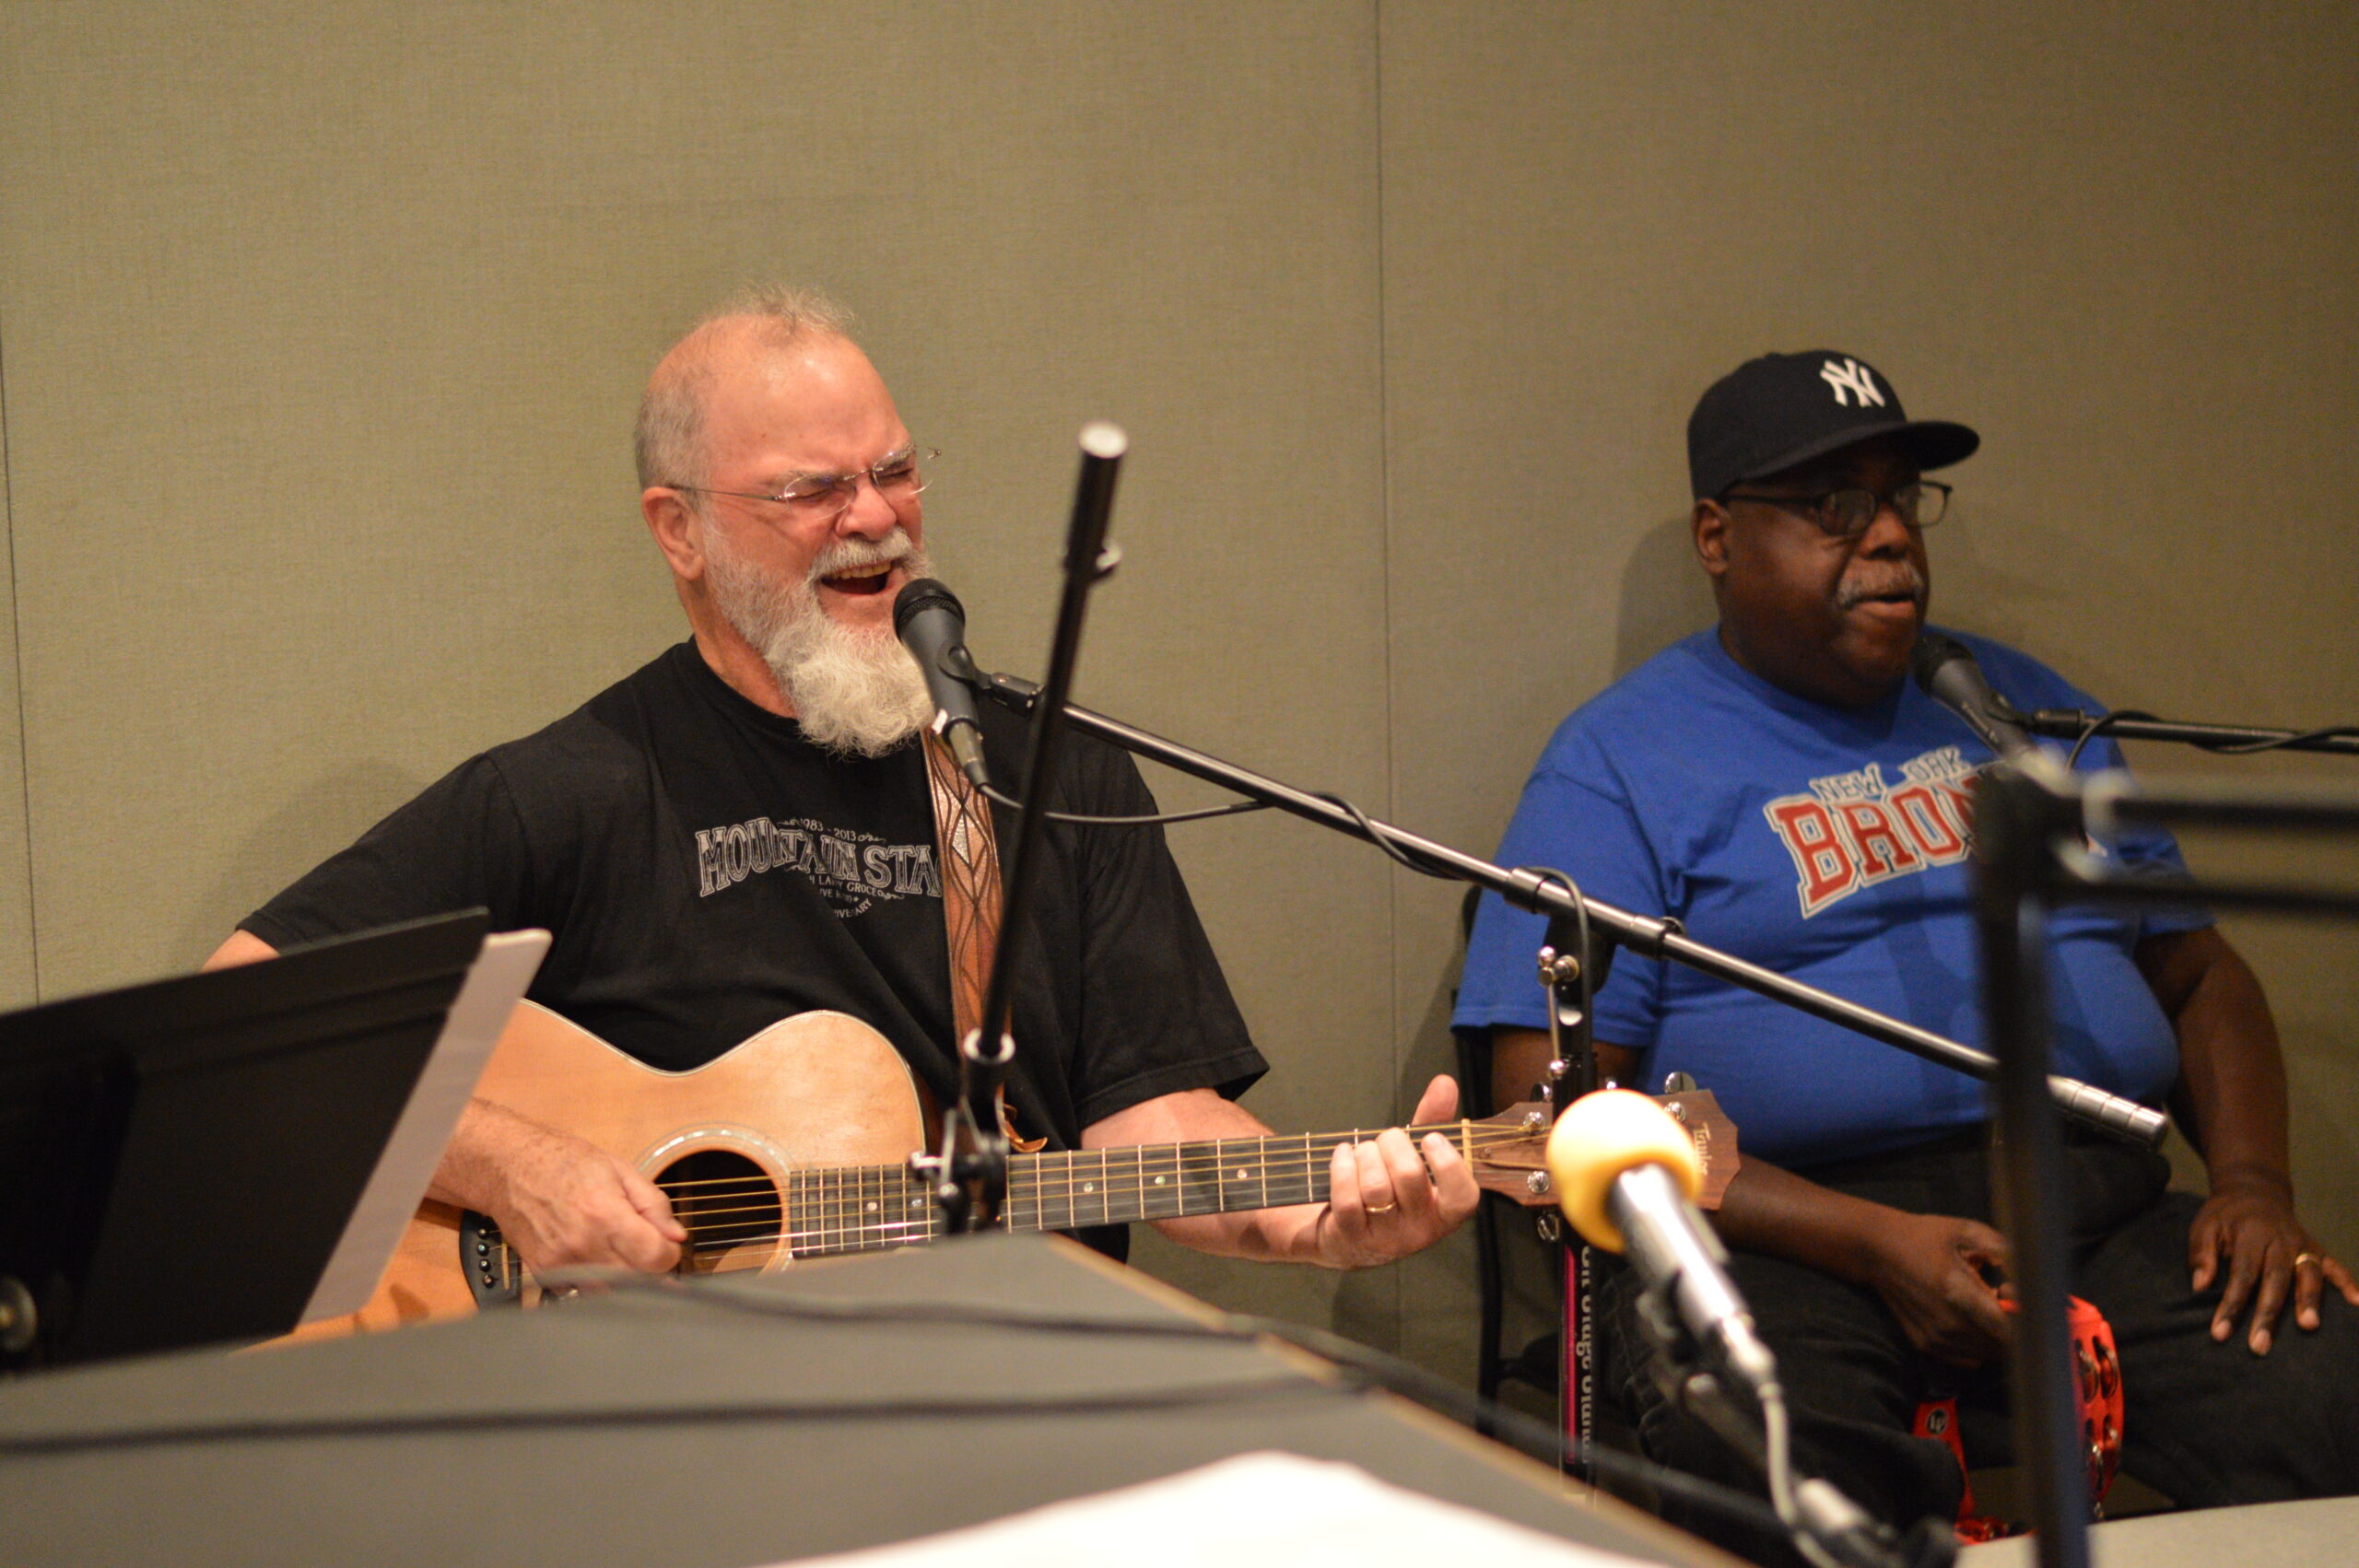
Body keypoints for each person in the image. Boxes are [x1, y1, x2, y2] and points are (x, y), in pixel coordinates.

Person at [211, 285, 1475, 1280]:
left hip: (1010, 1416)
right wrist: (511, 1165)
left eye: (896, 469)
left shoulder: (1050, 771)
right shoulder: (580, 790)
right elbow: (241, 1019)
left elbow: (1149, 1116)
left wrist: (1320, 1220)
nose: (877, 518)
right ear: (678, 529)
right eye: (813, 489)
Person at [1454, 349, 2359, 1553]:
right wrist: (1864, 1239)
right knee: (1769, 1446)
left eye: (1900, 497)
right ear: (1718, 536)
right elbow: (1549, 1109)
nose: (1888, 538)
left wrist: (2253, 1187)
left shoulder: (2015, 707)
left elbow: (2197, 973)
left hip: (2093, 1203)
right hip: (1785, 1233)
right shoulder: (1618, 763)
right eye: (1835, 505)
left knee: (2322, 1378)